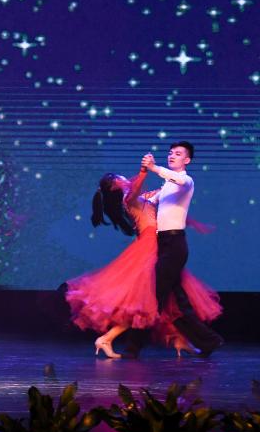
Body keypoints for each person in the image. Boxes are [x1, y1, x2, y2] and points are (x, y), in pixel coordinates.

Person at [66, 168, 222, 358]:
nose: (126, 179)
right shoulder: (128, 199)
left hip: (158, 243)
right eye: (121, 179)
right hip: (149, 247)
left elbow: (161, 193)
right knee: (150, 299)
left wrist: (173, 178)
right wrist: (143, 171)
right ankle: (108, 338)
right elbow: (135, 188)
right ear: (115, 186)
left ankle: (178, 339)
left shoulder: (140, 198)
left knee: (169, 297)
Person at [121, 142, 224, 358]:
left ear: (187, 160)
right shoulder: (167, 186)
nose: (172, 156)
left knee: (153, 296)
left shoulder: (186, 181)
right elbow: (143, 201)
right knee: (178, 302)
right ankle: (209, 341)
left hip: (175, 246)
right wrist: (133, 184)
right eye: (170, 153)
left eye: (177, 154)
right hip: (164, 245)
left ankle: (133, 347)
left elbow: (177, 179)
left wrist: (154, 168)